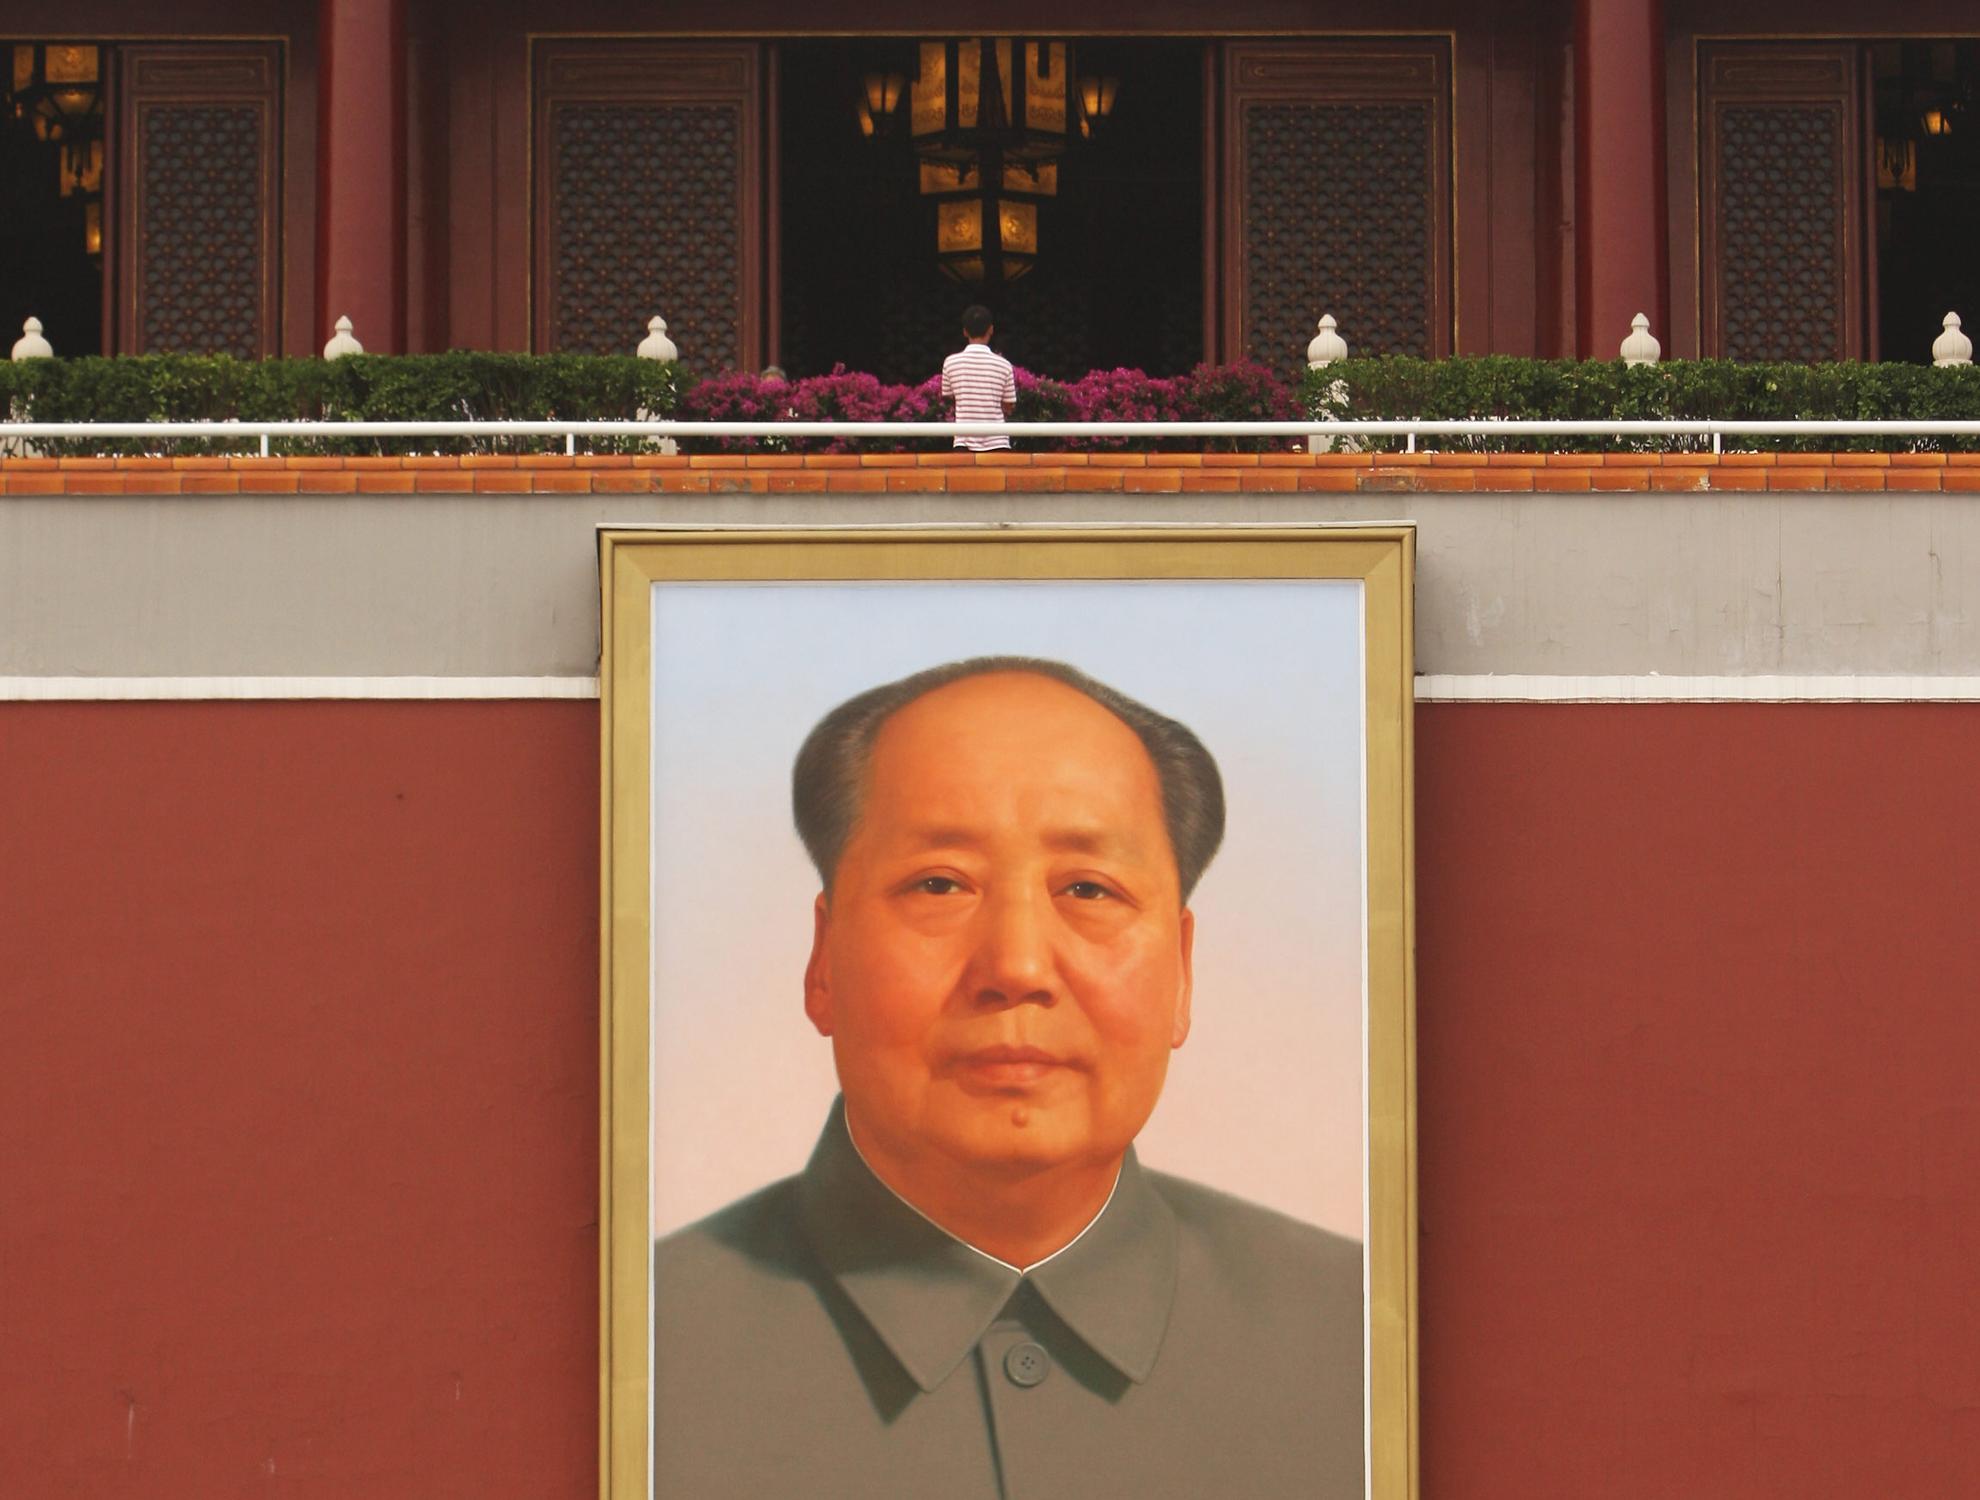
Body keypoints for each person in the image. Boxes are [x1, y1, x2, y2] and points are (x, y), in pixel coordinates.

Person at [652, 658, 1364, 1499]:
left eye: (1090, 889)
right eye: (940, 883)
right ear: (822, 964)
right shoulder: (638, 1348)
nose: (1017, 965)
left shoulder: (1364, 1337)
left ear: (1183, 971)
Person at [940, 304, 1017, 451]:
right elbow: (1009, 405)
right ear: (991, 329)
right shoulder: (1004, 365)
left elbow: (949, 397)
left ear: (965, 332)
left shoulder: (950, 363)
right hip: (998, 442)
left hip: (963, 442)